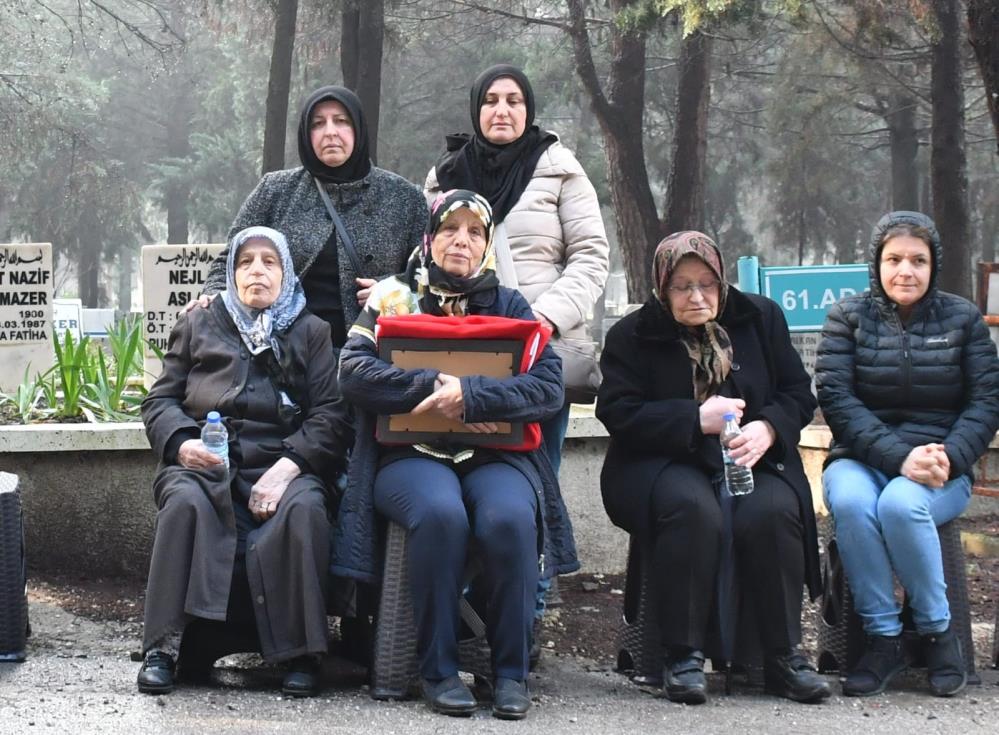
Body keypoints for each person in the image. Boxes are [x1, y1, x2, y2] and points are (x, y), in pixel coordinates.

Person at [332, 190, 579, 720]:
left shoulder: (510, 305)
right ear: (430, 238)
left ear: (488, 244)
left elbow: (548, 387)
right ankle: (438, 670)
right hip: (410, 457)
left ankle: (510, 672)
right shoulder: (394, 297)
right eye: (450, 229)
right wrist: (429, 386)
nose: (460, 241)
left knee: (511, 518)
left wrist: (474, 397)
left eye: (474, 232)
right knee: (441, 515)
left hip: (493, 457)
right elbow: (352, 372)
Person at [596, 231, 830, 705]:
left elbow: (798, 393)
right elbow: (617, 412)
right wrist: (690, 419)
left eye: (707, 283)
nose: (697, 296)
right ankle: (681, 656)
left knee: (773, 511)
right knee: (692, 510)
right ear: (663, 288)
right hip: (661, 462)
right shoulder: (633, 335)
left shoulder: (760, 319)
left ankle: (783, 655)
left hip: (750, 458)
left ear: (722, 283)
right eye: (682, 286)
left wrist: (768, 428)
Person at [138, 226, 353, 698]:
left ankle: (301, 652)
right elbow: (160, 400)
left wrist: (290, 465)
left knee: (304, 510)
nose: (257, 271)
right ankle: (164, 647)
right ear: (232, 273)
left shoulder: (311, 332)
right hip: (207, 460)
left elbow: (331, 415)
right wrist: (181, 444)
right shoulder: (200, 322)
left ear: (286, 273)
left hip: (284, 463)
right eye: (246, 262)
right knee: (185, 502)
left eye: (269, 262)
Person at [816, 211, 999, 698]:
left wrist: (950, 458)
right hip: (857, 457)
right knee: (854, 503)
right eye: (894, 259)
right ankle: (883, 638)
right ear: (876, 264)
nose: (906, 271)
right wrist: (900, 458)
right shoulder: (846, 317)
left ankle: (939, 635)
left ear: (933, 265)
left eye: (918, 260)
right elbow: (836, 400)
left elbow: (986, 401)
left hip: (941, 465)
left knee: (901, 504)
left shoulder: (962, 320)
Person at [425, 63, 609, 476]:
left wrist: (542, 320)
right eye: (490, 101)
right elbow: (425, 255)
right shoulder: (446, 176)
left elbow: (591, 255)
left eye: (514, 100)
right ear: (476, 110)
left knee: (539, 479)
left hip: (540, 350)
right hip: (463, 351)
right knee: (470, 480)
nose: (502, 111)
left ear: (528, 109)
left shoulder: (560, 168)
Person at [196, 86, 428, 351]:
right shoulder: (276, 190)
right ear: (306, 134)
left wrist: (389, 290)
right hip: (283, 353)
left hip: (374, 353)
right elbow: (230, 258)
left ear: (359, 129)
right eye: (318, 124)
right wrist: (211, 296)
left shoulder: (404, 197)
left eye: (341, 121)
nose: (330, 132)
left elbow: (428, 274)